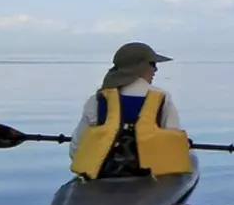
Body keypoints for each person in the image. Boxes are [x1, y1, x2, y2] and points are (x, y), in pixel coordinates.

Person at [68, 41, 193, 180]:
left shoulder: (98, 99)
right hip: (149, 178)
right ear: (141, 67)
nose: (156, 70)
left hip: (103, 176)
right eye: (153, 64)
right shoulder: (162, 98)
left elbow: (76, 146)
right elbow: (174, 143)